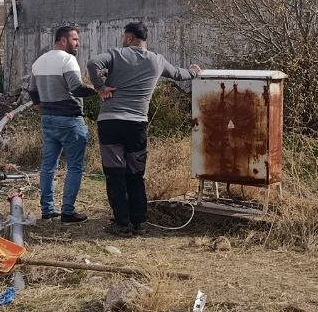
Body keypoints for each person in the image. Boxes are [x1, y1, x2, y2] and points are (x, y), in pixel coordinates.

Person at [87, 21, 201, 236]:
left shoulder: (116, 55)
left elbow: (93, 63)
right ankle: (139, 222)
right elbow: (178, 74)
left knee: (114, 174)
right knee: (135, 174)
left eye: (124, 37)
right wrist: (194, 72)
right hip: (137, 124)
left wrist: (100, 87)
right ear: (144, 40)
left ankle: (122, 224)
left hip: (110, 122)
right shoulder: (157, 60)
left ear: (129, 38)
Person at [29, 25, 98, 223]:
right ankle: (68, 211)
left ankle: (47, 209)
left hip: (48, 120)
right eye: (75, 39)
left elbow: (32, 90)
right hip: (69, 120)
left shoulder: (39, 61)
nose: (78, 43)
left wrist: (38, 106)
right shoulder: (68, 60)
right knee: (75, 166)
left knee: (48, 166)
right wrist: (97, 90)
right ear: (63, 40)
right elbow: (76, 89)